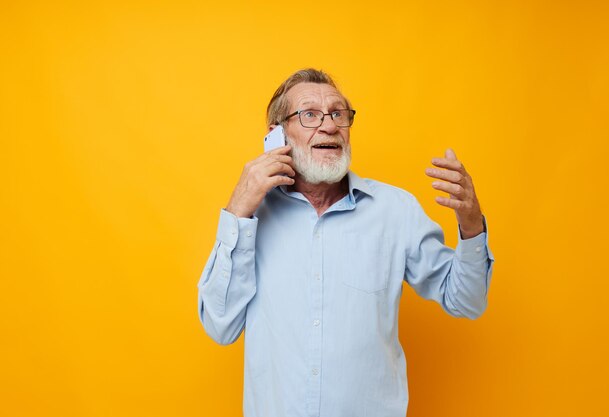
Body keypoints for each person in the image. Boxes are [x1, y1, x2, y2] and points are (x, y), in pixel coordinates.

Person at [197, 68, 494, 417]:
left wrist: (471, 222)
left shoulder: (395, 211)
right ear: (277, 135)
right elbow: (220, 326)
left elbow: (468, 300)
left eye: (339, 113)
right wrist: (238, 211)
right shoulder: (250, 218)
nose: (329, 125)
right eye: (309, 114)